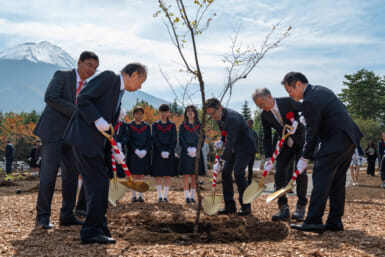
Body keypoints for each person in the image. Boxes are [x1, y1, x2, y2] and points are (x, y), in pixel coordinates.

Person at [64, 62, 147, 244]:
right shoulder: (109, 77)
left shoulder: (119, 92)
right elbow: (83, 98)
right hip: (85, 140)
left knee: (100, 185)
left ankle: (99, 226)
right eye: (141, 81)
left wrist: (115, 148)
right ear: (134, 75)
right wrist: (96, 118)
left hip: (96, 144)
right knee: (98, 185)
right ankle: (91, 231)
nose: (140, 87)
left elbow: (108, 128)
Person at [282, 72, 362, 233]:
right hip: (348, 139)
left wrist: (304, 157)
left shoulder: (310, 99)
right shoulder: (320, 91)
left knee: (320, 178)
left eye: (289, 91)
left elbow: (312, 132)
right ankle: (334, 222)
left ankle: (313, 221)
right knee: (337, 182)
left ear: (298, 84)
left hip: (335, 140)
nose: (290, 95)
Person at [33, 51, 99, 229]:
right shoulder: (62, 75)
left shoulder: (91, 86)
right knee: (49, 175)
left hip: (73, 137)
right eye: (89, 65)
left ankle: (67, 215)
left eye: (95, 68)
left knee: (71, 177)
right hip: (52, 133)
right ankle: (43, 216)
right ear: (79, 62)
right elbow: (51, 97)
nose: (92, 70)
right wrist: (78, 110)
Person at [252, 88, 308, 221]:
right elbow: (266, 137)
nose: (262, 107)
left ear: (270, 97)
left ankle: (301, 206)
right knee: (279, 173)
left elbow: (306, 108)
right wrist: (268, 158)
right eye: (259, 106)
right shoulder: (264, 115)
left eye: (263, 103)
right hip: (284, 144)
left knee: (300, 173)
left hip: (300, 141)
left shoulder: (287, 102)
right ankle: (283, 208)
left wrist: (300, 121)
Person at [205, 98, 257, 216]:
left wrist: (221, 160)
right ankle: (230, 205)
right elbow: (225, 135)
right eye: (209, 114)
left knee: (238, 173)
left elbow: (231, 140)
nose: (211, 116)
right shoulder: (219, 118)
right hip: (234, 147)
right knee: (225, 172)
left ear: (220, 108)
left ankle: (246, 206)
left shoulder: (232, 118)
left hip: (245, 147)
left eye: (213, 112)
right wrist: (221, 140)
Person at [178, 105, 205, 203]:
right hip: (186, 152)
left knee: (194, 175)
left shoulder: (199, 125)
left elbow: (202, 138)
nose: (190, 113)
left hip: (196, 152)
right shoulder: (182, 125)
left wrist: (196, 149)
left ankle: (193, 196)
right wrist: (188, 149)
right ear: (185, 113)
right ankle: (186, 196)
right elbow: (181, 139)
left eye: (192, 111)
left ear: (195, 113)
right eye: (188, 111)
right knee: (186, 175)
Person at [151, 104, 177, 203]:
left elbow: (174, 139)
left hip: (169, 152)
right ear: (159, 112)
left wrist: (169, 151)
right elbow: (155, 138)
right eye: (162, 112)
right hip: (158, 152)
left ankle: (165, 196)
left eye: (166, 112)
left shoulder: (172, 125)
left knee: (167, 174)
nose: (164, 114)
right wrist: (161, 151)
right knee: (158, 174)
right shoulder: (155, 125)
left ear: (168, 112)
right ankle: (159, 195)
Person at [125, 106, 151, 202]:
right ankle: (133, 195)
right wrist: (135, 150)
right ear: (133, 114)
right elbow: (129, 139)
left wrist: (145, 150)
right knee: (133, 175)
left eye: (141, 113)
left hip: (143, 153)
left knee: (141, 175)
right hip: (133, 153)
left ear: (143, 115)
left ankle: (140, 195)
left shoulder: (147, 127)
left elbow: (149, 140)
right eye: (137, 113)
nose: (139, 115)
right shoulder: (129, 126)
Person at [246, 119, 258, 185]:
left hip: (252, 153)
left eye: (250, 123)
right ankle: (243, 182)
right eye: (248, 123)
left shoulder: (254, 133)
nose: (249, 124)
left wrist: (255, 151)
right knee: (242, 168)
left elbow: (256, 143)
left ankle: (249, 182)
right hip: (244, 153)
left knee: (250, 168)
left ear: (252, 124)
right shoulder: (244, 133)